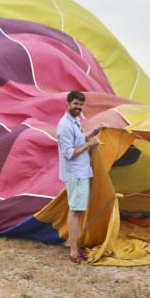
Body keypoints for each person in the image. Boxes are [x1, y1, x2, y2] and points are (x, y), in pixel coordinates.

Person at [57, 90, 101, 264]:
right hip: (75, 174)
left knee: (78, 210)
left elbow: (78, 142)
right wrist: (90, 143)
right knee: (75, 210)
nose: (78, 107)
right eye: (75, 104)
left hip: (81, 172)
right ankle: (74, 252)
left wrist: (91, 134)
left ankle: (76, 247)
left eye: (81, 104)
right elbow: (69, 153)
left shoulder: (75, 121)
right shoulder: (64, 126)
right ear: (67, 103)